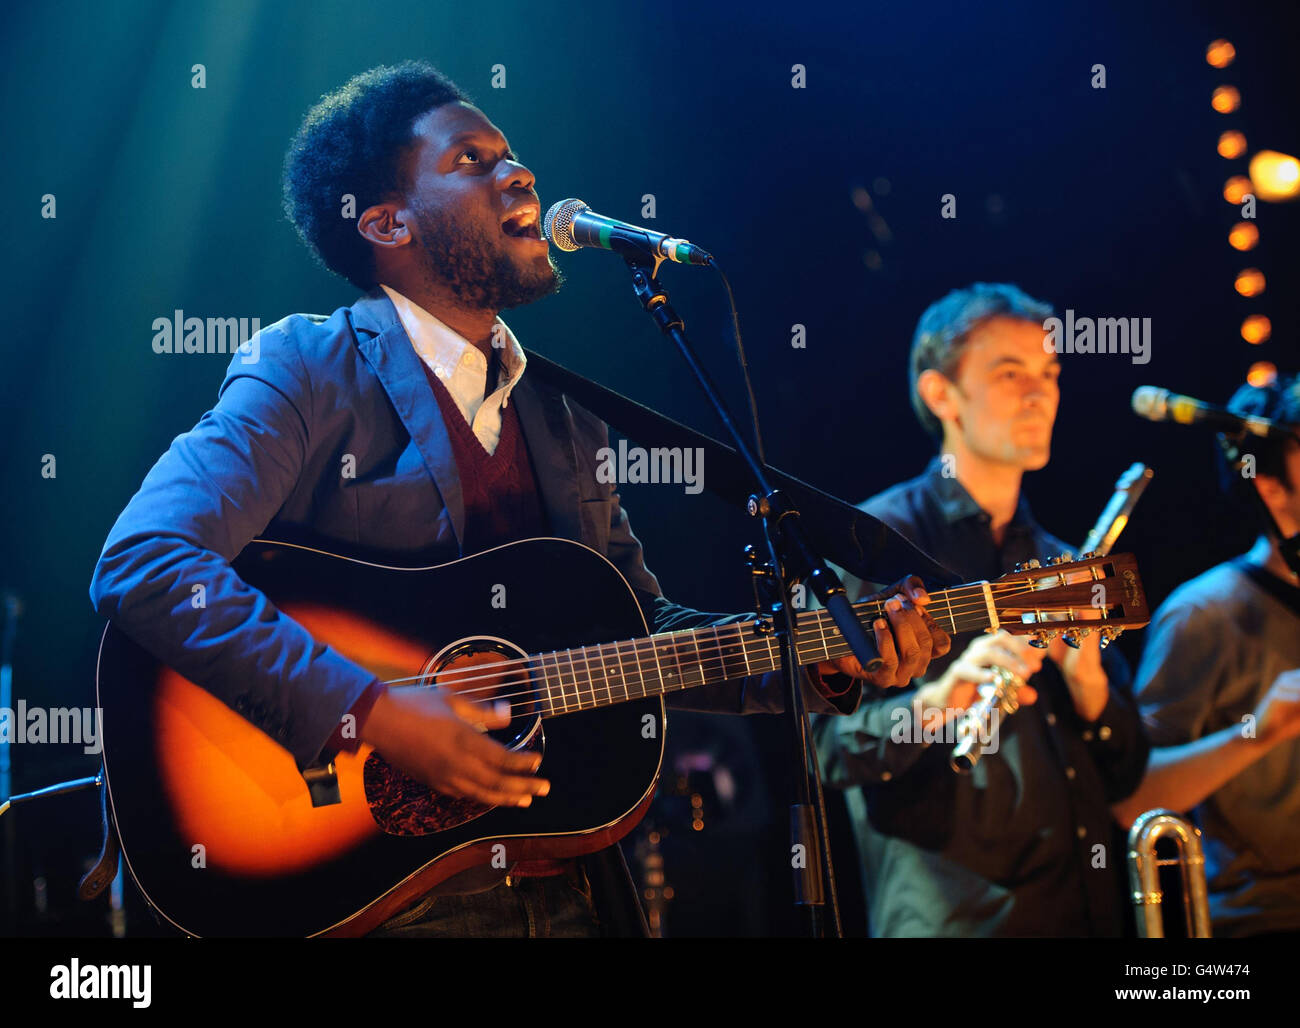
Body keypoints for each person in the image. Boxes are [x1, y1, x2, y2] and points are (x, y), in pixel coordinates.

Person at [88, 62, 949, 937]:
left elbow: (636, 633)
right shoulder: (306, 370)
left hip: (567, 887)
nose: (520, 172)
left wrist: (817, 656)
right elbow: (145, 563)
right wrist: (368, 710)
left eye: (511, 154)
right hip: (380, 898)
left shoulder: (564, 412)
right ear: (387, 223)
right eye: (470, 158)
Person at [814, 283, 1149, 937]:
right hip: (957, 922)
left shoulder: (1063, 559)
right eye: (1009, 373)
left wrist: (1089, 685)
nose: (1039, 394)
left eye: (1049, 373)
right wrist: (941, 697)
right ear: (943, 395)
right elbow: (824, 753)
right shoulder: (867, 545)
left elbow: (1130, 772)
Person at [1113, 374, 1300, 938]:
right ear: (1269, 486)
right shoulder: (1204, 613)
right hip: (1264, 923)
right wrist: (1259, 733)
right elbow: (1134, 800)